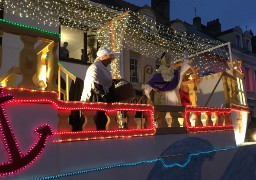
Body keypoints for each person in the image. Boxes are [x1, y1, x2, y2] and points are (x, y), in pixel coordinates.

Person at [81, 47, 116, 130]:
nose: (110, 61)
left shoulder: (105, 70)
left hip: (102, 98)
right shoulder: (94, 67)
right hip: (95, 98)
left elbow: (107, 83)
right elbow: (95, 84)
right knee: (96, 123)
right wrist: (104, 96)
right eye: (108, 59)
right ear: (102, 57)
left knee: (104, 123)